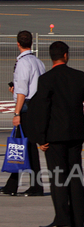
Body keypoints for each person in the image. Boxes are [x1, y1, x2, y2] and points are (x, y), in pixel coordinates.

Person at [28, 41, 84, 227]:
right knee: (75, 177)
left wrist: (40, 138)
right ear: (66, 55)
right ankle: (77, 219)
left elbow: (41, 110)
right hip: (75, 136)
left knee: (58, 179)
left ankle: (62, 220)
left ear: (51, 57)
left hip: (54, 137)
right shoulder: (79, 76)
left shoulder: (46, 79)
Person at [1, 30, 45, 197]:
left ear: (18, 43)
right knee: (22, 147)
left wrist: (17, 113)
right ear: (31, 43)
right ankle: (12, 185)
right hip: (36, 107)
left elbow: (22, 91)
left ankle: (36, 186)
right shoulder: (38, 62)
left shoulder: (22, 63)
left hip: (26, 108)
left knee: (25, 147)